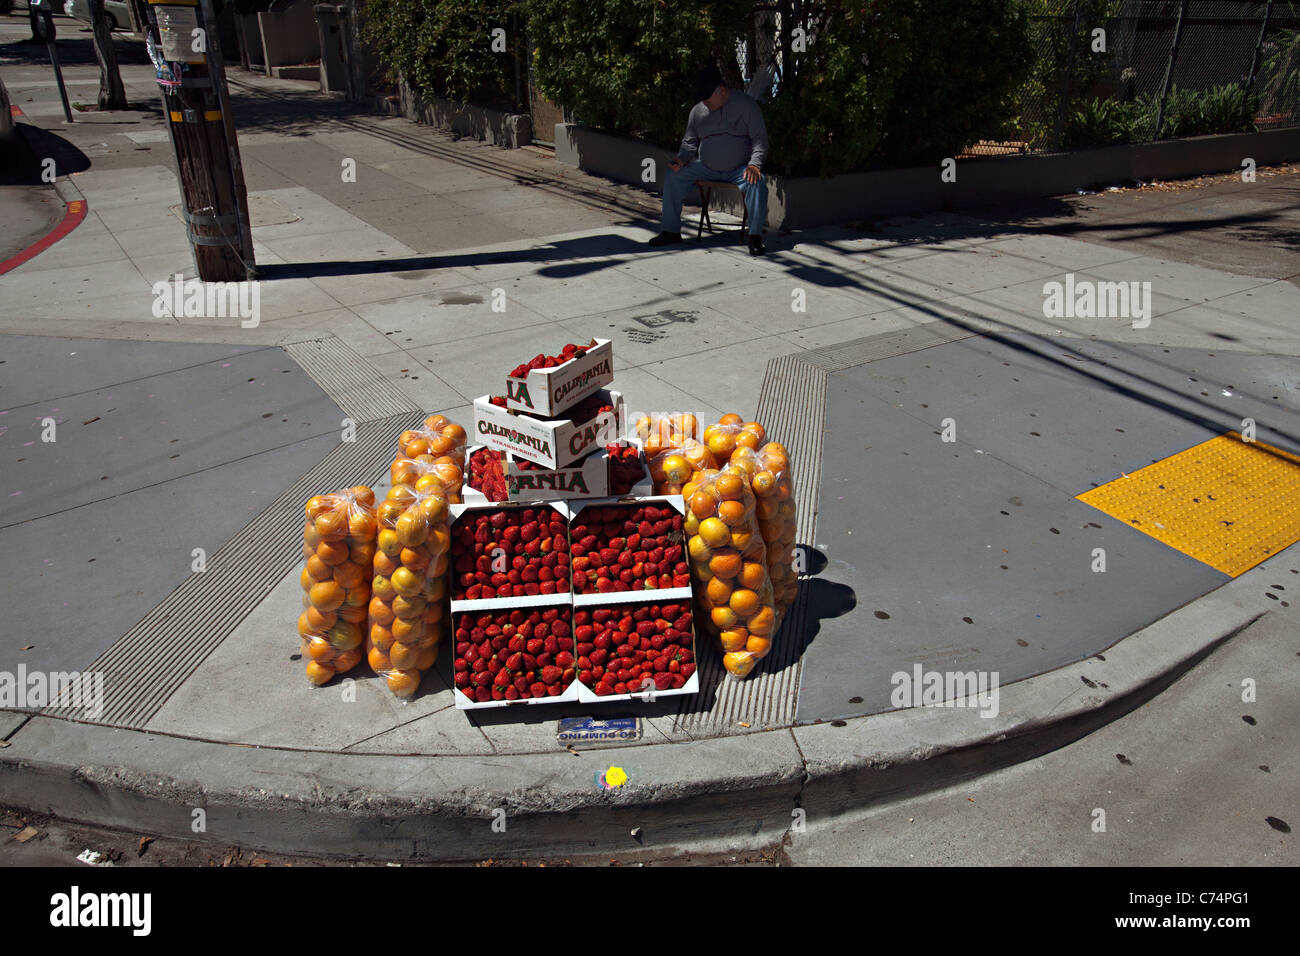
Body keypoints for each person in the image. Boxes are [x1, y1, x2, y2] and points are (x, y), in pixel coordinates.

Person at [650, 64, 769, 257]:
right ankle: (670, 231)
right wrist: (681, 160)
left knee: (757, 182)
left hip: (738, 169)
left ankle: (755, 237)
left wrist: (755, 164)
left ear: (722, 90)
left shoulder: (746, 106)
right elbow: (689, 143)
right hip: (706, 167)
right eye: (703, 99)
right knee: (674, 176)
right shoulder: (698, 111)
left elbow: (760, 139)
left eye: (708, 98)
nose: (705, 103)